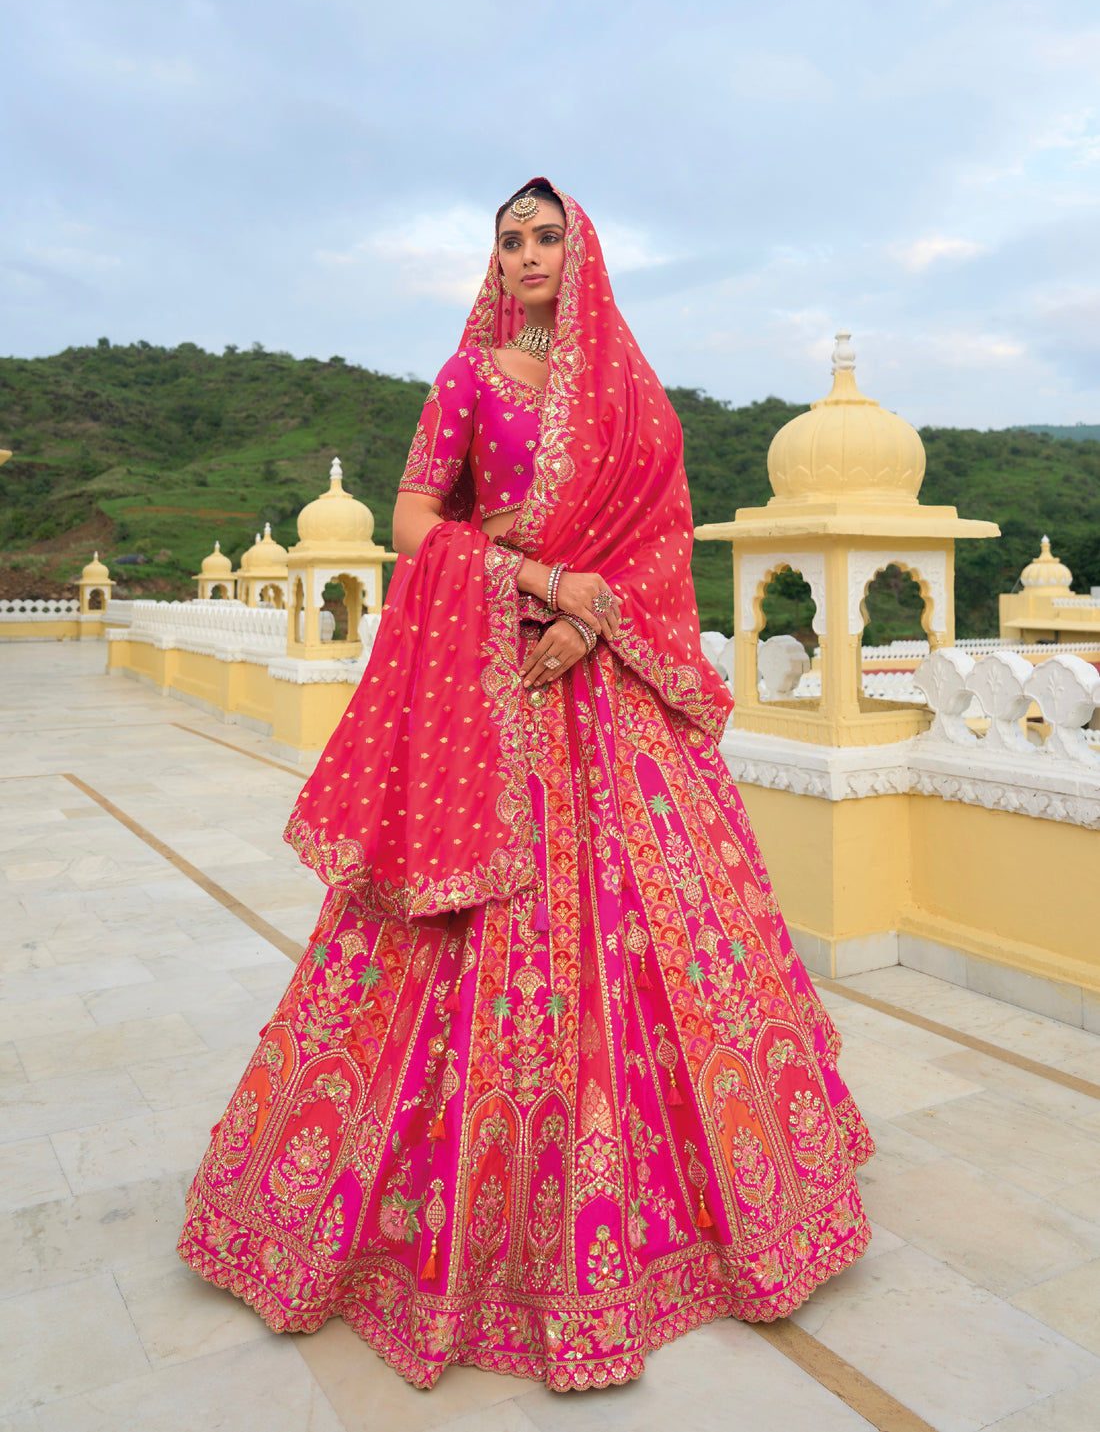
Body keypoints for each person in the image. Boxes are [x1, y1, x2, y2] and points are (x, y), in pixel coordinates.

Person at [178, 179, 874, 1392]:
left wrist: (595, 618)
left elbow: (656, 538)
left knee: (656, 935)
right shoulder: (467, 379)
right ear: (492, 262)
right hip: (490, 683)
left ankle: (712, 1211)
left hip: (609, 688)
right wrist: (541, 590)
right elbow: (412, 523)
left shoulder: (624, 393)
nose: (528, 253)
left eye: (547, 235)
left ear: (580, 253)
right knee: (465, 943)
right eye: (510, 240)